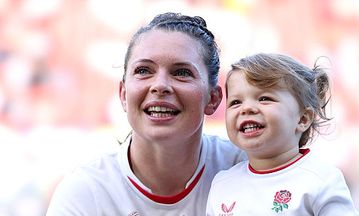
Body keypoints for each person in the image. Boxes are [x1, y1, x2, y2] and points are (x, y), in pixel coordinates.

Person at [46, 12, 245, 215]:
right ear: (123, 94)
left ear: (213, 99)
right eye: (143, 70)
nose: (160, 85)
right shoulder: (86, 193)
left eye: (182, 73)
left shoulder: (245, 169)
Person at [206, 53, 359, 215]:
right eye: (236, 102)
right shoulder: (222, 183)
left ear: (302, 119)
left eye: (264, 98)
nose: (246, 108)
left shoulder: (321, 179)